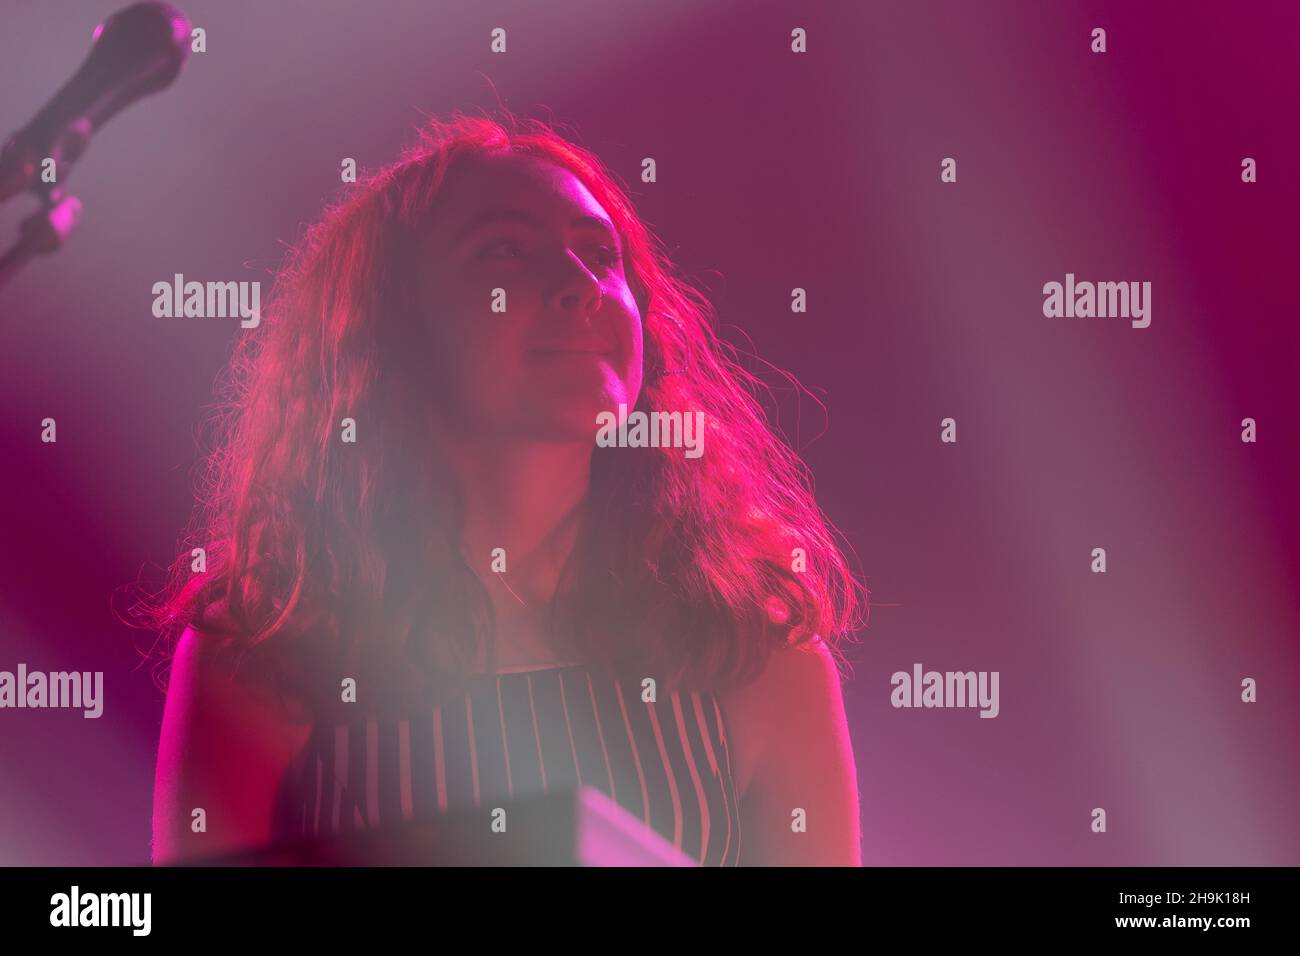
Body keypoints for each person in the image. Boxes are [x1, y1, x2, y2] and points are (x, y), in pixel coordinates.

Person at [145, 112, 867, 866]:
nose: (581, 285)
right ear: (390, 329)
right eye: (503, 253)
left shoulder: (757, 652)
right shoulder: (266, 646)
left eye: (599, 254)